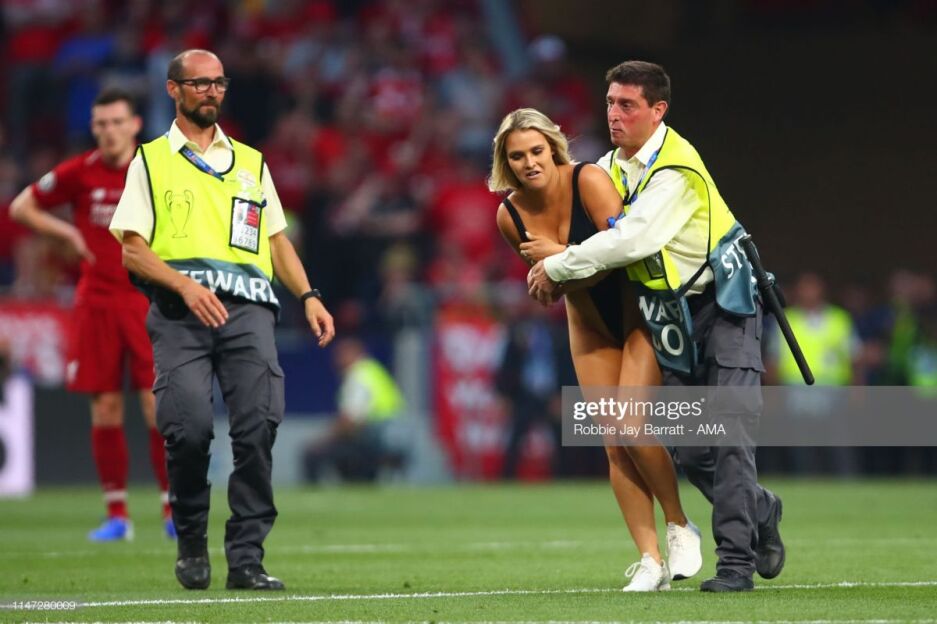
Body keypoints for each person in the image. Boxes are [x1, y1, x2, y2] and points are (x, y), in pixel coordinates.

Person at [526, 61, 785, 592]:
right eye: (610, 103)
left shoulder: (677, 169)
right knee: (690, 447)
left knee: (730, 435)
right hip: (669, 315)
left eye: (627, 105)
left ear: (658, 110)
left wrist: (557, 263)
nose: (614, 114)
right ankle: (760, 508)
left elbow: (633, 241)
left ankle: (735, 565)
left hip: (726, 304)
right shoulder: (607, 169)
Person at [109, 49, 335, 591]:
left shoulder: (251, 163)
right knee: (187, 430)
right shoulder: (151, 161)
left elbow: (275, 240)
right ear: (173, 90)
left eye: (219, 83)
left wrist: (308, 295)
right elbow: (132, 250)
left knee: (258, 428)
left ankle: (247, 559)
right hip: (179, 312)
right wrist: (185, 285)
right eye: (200, 83)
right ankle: (191, 540)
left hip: (249, 310)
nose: (212, 91)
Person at [491, 108, 701, 592]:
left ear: (553, 148)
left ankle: (679, 524)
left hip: (638, 315)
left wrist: (558, 258)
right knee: (613, 441)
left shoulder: (588, 179)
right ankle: (650, 560)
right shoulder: (509, 215)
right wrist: (553, 276)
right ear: (505, 162)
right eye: (517, 156)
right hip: (587, 325)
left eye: (537, 151)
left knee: (631, 425)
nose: (529, 163)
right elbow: (553, 286)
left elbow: (626, 254)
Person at [9, 88, 173, 542]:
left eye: (117, 122)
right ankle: (117, 515)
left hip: (146, 301)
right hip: (97, 301)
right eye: (101, 123)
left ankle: (172, 509)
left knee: (157, 405)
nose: (109, 131)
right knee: (104, 406)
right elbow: (22, 207)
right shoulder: (80, 171)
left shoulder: (157, 170)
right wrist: (66, 233)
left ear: (135, 125)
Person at [303, 337, 407, 482]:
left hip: (377, 437)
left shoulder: (358, 376)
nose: (337, 360)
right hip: (396, 435)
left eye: (342, 354)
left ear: (356, 354)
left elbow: (350, 419)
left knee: (317, 453)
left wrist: (323, 441)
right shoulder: (372, 370)